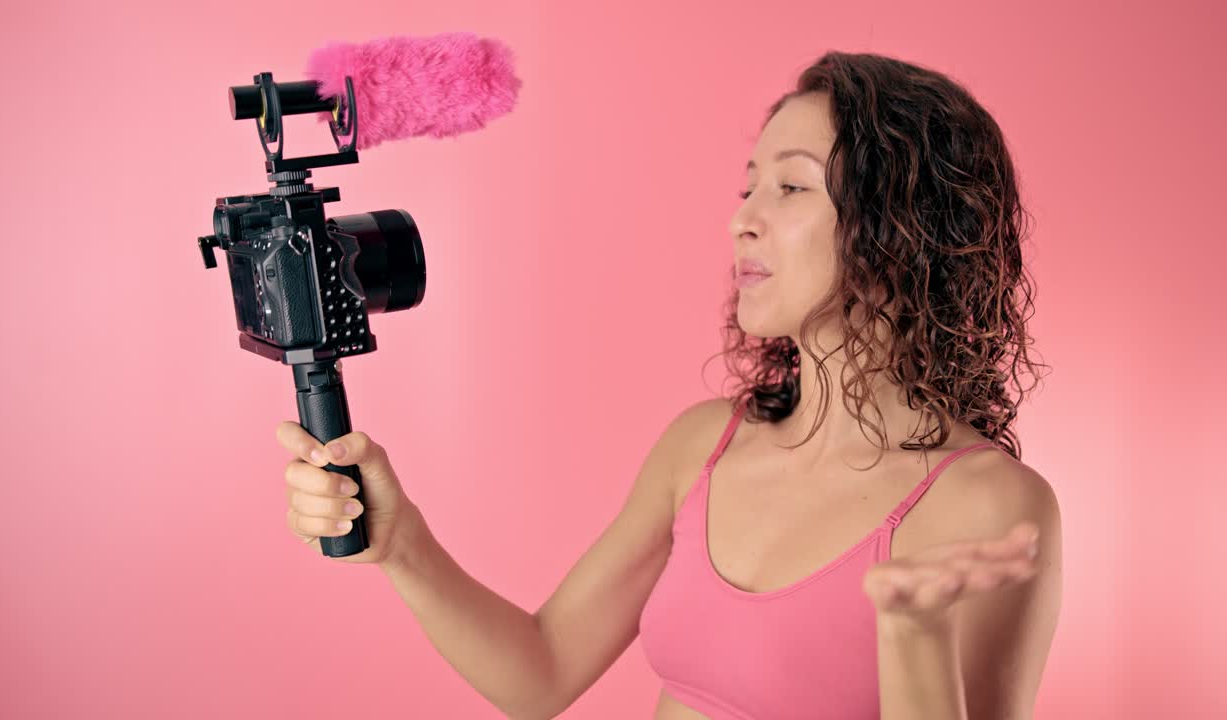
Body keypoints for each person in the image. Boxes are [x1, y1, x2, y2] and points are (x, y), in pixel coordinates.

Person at [276, 50, 1062, 720]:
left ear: (904, 224)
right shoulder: (704, 447)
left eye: (790, 189)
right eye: (747, 186)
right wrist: (401, 541)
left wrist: (914, 638)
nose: (742, 220)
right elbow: (541, 671)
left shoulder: (987, 504)